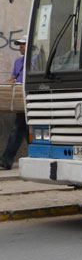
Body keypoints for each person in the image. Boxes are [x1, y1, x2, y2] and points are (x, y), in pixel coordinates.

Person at [2, 36, 28, 170]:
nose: (21, 47)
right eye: (19, 45)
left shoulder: (37, 59)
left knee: (20, 129)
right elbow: (13, 78)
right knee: (21, 129)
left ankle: (7, 159)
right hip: (18, 100)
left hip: (30, 99)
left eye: (23, 45)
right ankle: (7, 159)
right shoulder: (18, 61)